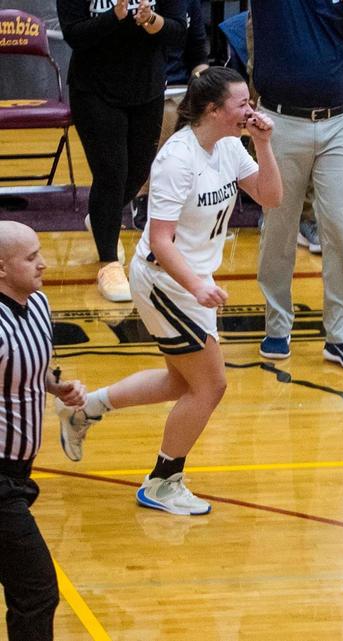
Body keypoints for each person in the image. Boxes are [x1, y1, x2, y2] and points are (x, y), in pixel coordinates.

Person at [55, 68, 282, 516]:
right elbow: (159, 240)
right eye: (241, 104)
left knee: (183, 381)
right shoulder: (178, 159)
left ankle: (86, 410)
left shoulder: (230, 146)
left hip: (194, 282)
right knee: (211, 386)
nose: (250, 111)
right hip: (165, 282)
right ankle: (162, 482)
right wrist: (197, 286)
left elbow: (271, 198)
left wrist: (264, 144)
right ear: (213, 110)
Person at [251, 0, 343, 370]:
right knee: (279, 225)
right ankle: (276, 326)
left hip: (341, 121)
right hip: (279, 120)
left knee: (341, 227)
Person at [57, 0, 187, 303]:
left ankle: (102, 216)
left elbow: (178, 31)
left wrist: (152, 20)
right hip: (94, 90)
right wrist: (114, 17)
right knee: (111, 174)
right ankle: (109, 264)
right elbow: (74, 35)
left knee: (139, 171)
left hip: (147, 87)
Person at [0, 220, 88, 641]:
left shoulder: (37, 305)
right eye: (32, 258)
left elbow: (26, 368)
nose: (44, 265)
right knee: (36, 592)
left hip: (20, 475)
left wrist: (55, 385)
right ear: (1, 269)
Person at [130, 0, 210, 231]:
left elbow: (198, 54)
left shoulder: (188, 3)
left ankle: (200, 195)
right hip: (147, 85)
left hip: (181, 85)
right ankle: (144, 195)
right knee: (168, 112)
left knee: (215, 107)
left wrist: (204, 84)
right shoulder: (135, 5)